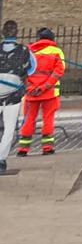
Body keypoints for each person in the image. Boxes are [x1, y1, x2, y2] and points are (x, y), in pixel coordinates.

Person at [16, 28, 66, 156]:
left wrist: (30, 88)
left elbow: (21, 72)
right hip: (49, 93)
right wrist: (45, 87)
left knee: (29, 119)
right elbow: (58, 72)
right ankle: (47, 147)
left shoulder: (28, 52)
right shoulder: (56, 51)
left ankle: (23, 148)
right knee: (48, 119)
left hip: (31, 93)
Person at [0, 20, 36, 173]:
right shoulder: (24, 50)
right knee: (9, 127)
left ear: (2, 33)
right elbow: (32, 69)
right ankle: (1, 159)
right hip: (13, 93)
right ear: (17, 33)